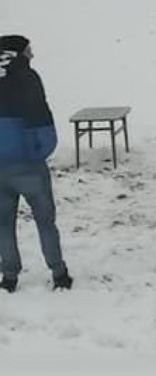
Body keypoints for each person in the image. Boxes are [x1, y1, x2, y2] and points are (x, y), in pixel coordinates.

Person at [0, 35, 72, 293]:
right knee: (45, 220)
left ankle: (9, 277)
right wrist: (40, 152)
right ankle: (58, 272)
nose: (32, 55)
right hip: (29, 165)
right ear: (17, 53)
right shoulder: (27, 79)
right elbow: (42, 118)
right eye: (28, 50)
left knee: (3, 225)